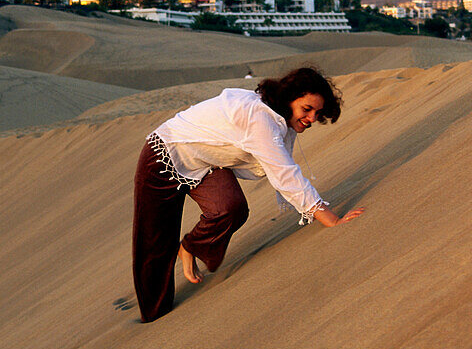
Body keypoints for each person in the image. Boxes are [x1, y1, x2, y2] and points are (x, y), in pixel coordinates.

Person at [132, 66, 365, 322]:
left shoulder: (279, 119)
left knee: (230, 208)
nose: (311, 118)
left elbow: (282, 169)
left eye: (317, 113)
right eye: (306, 109)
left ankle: (190, 246)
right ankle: (155, 316)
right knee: (154, 241)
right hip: (165, 155)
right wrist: (331, 219)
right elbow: (285, 175)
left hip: (205, 161)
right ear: (289, 98)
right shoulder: (260, 117)